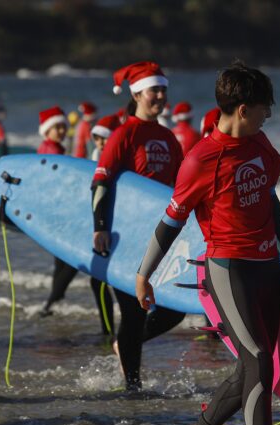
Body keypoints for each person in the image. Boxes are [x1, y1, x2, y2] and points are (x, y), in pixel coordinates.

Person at [135, 61, 280, 425]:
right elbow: (171, 221)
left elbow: (269, 198)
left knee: (255, 365)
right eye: (264, 109)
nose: (269, 117)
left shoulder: (260, 144)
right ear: (243, 109)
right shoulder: (201, 160)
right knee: (260, 360)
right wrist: (144, 274)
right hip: (229, 269)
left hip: (267, 267)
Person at [91, 61, 186, 391]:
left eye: (163, 89)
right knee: (131, 312)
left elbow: (179, 189)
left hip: (159, 240)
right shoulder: (124, 134)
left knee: (174, 310)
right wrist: (99, 226)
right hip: (126, 238)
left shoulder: (167, 137)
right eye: (154, 90)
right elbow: (100, 181)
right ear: (136, 94)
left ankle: (125, 346)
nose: (160, 95)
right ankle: (133, 384)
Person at [37, 107, 115, 338]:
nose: (61, 131)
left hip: (64, 216)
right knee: (71, 262)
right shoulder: (50, 151)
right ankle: (52, 303)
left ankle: (52, 303)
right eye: (56, 127)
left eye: (63, 126)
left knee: (64, 262)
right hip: (63, 216)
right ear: (46, 130)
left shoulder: (56, 149)